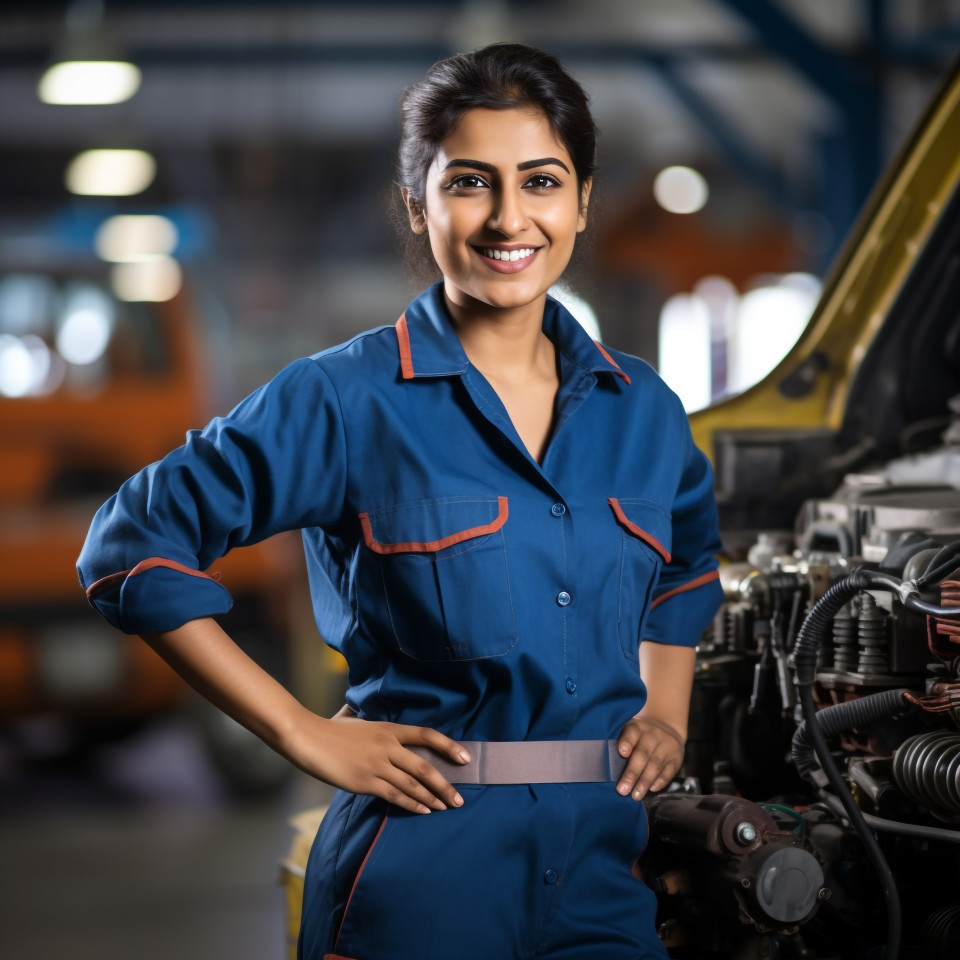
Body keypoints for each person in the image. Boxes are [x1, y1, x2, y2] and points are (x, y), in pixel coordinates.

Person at [78, 42, 722, 960]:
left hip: (603, 879)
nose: (509, 218)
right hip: (420, 877)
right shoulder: (344, 398)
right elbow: (128, 548)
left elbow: (688, 569)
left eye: (541, 181)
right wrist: (301, 734)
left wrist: (667, 711)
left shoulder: (646, 411)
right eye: (469, 183)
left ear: (582, 199)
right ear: (419, 206)